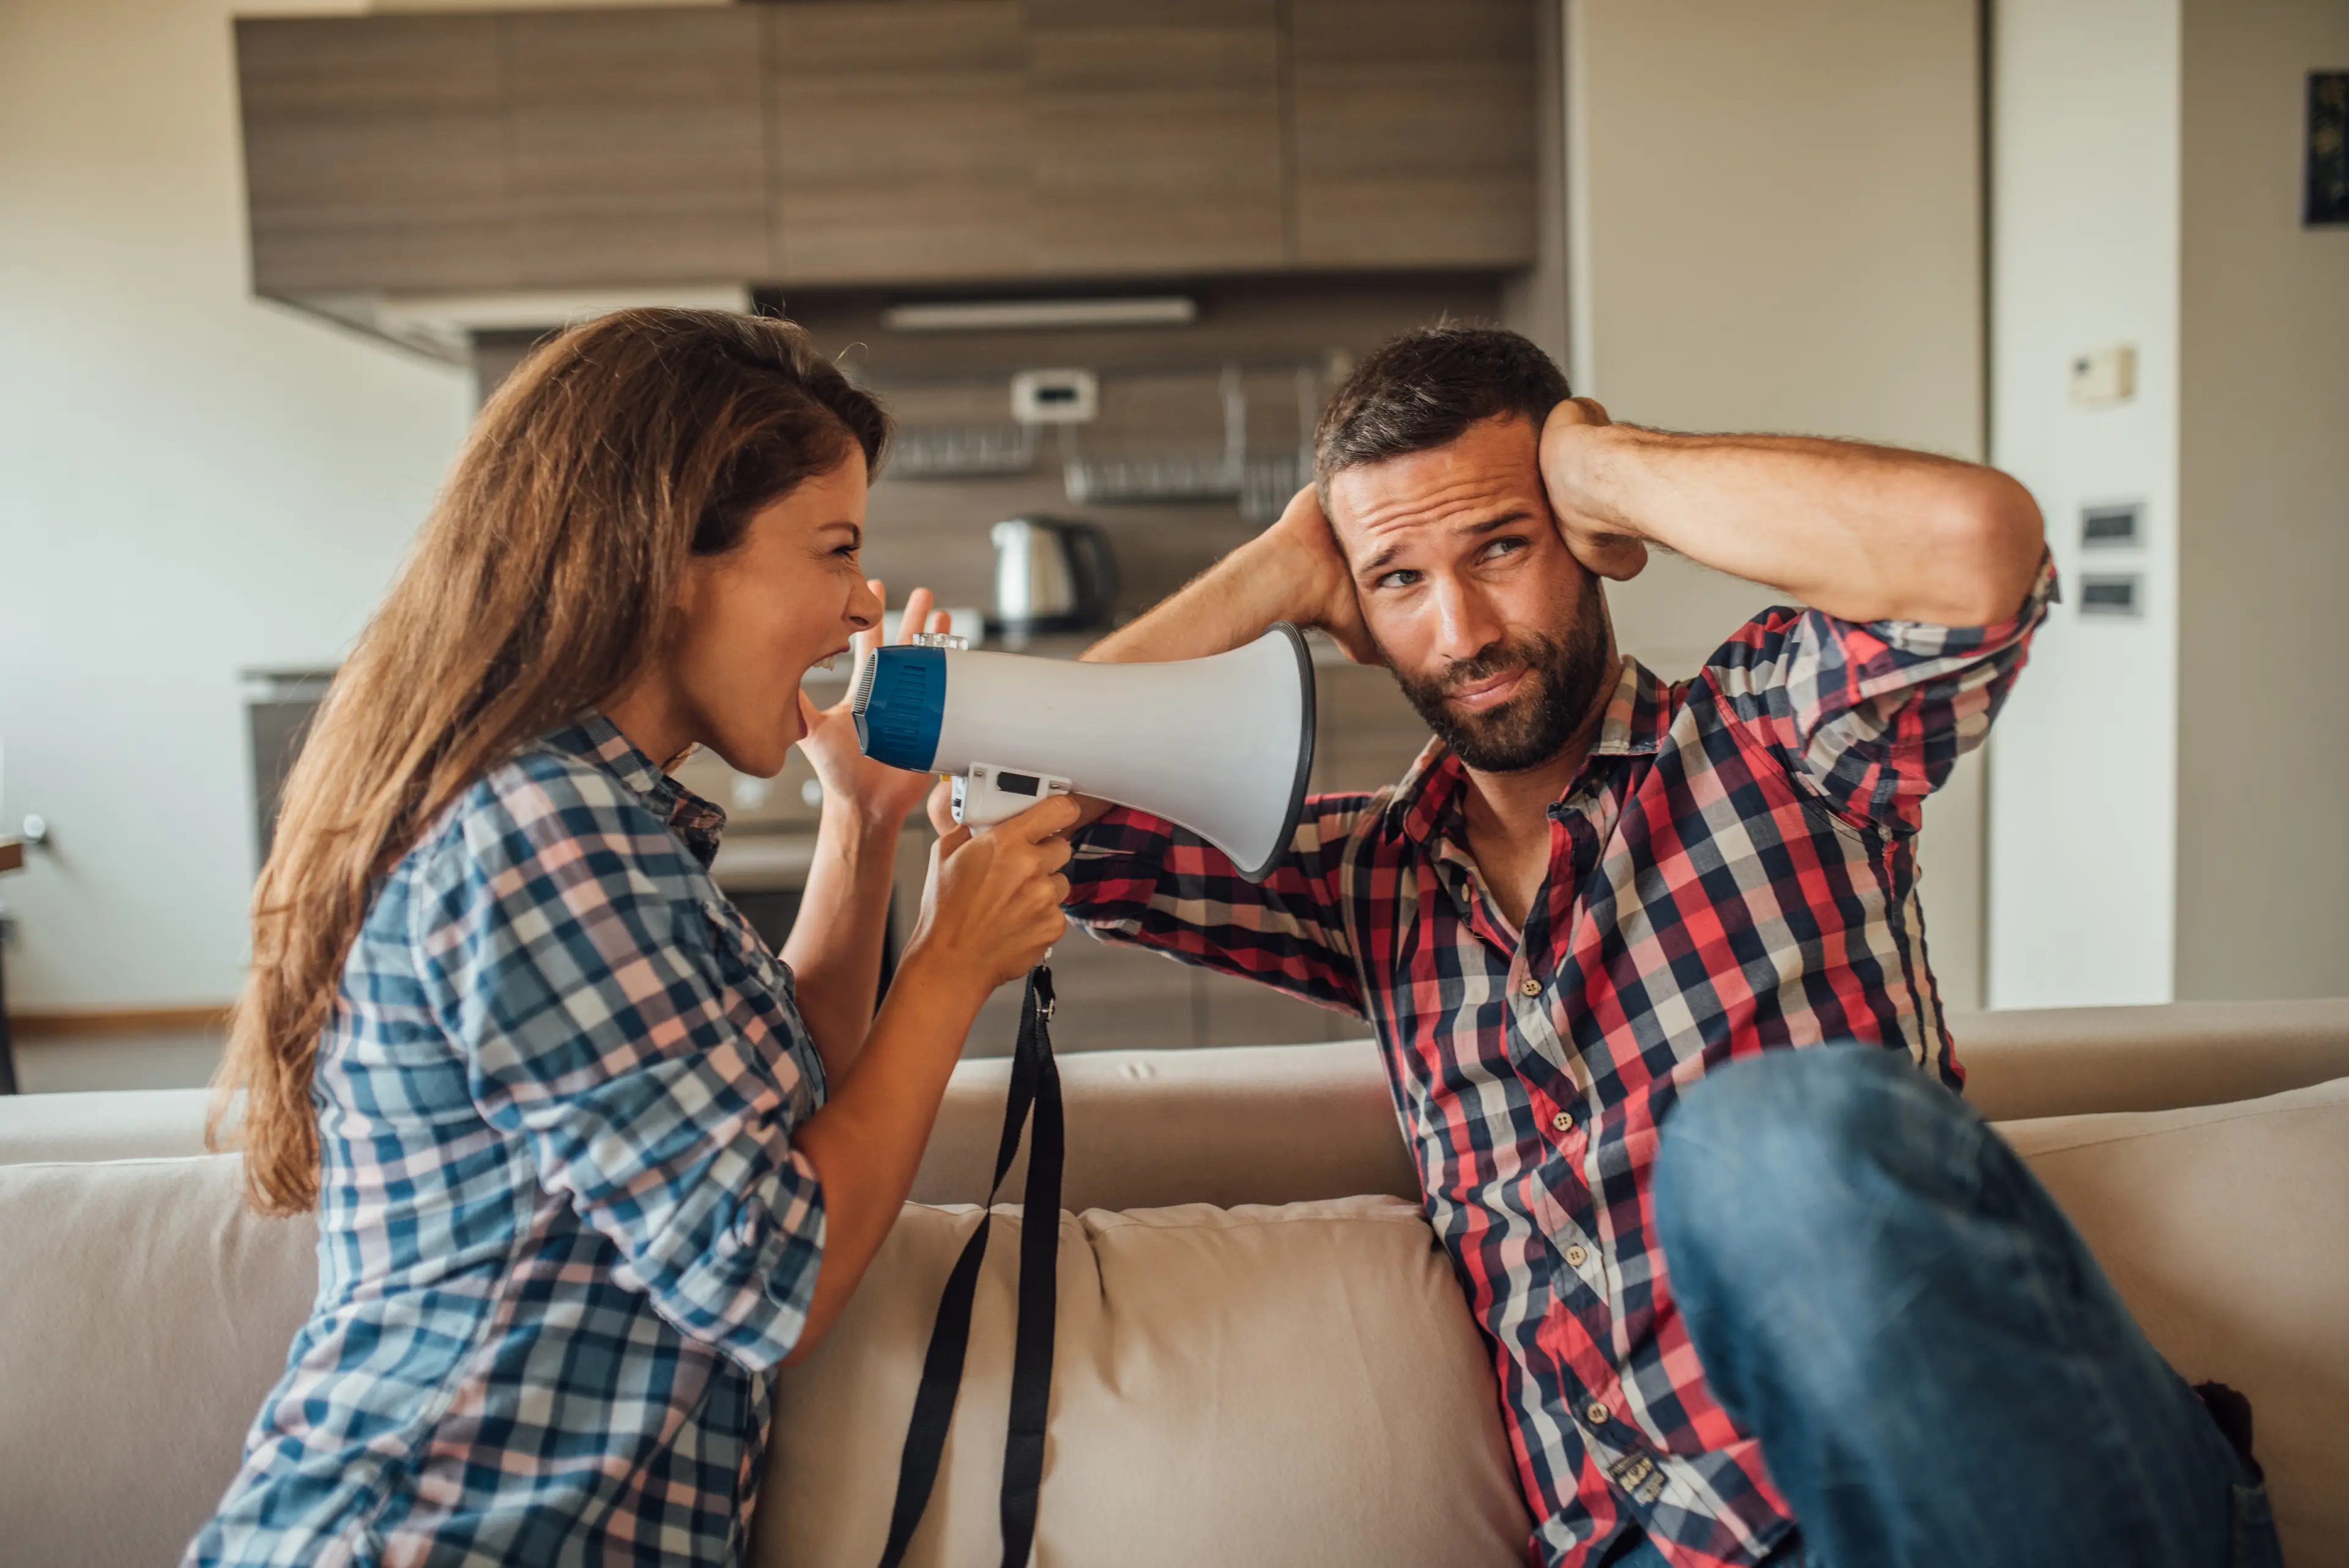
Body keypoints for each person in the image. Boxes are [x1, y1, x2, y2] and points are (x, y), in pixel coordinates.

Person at [1052, 326, 2277, 1567]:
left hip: (1956, 1490)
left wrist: (1604, 468)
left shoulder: (1774, 741)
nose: (1464, 629)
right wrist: (1277, 571)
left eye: (1502, 546)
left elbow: (1978, 554)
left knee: (1767, 1136)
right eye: (1401, 583)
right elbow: (1041, 810)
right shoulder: (1369, 880)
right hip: (1650, 1549)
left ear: (1585, 547)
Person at [188, 309, 1077, 1565]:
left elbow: (786, 1124)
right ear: (668, 556)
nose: (865, 602)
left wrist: (865, 828)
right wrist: (947, 967)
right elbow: (778, 1276)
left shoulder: (604, 821)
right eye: (834, 550)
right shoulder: (543, 837)